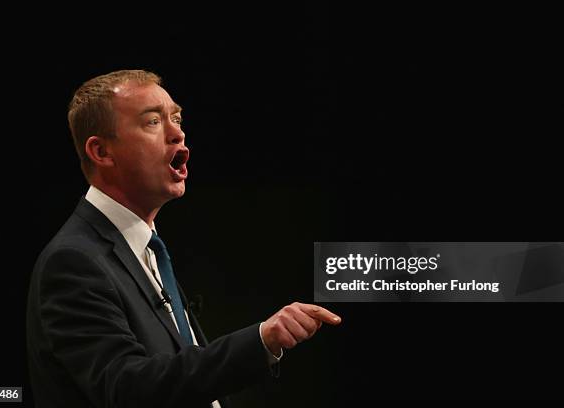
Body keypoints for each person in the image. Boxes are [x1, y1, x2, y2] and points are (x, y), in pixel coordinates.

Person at [26, 69, 341, 408]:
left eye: (176, 118)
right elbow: (128, 388)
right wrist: (261, 340)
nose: (178, 133)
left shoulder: (144, 250)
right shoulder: (75, 261)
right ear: (102, 152)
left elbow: (183, 380)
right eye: (152, 122)